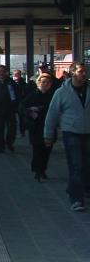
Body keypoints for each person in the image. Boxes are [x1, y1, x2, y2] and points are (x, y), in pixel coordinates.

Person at [44, 62, 90, 211]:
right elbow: (52, 114)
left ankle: (82, 188)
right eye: (81, 71)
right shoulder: (62, 92)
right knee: (75, 165)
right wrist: (48, 135)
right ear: (73, 73)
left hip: (88, 132)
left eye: (85, 71)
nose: (84, 74)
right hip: (71, 132)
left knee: (86, 165)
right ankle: (76, 199)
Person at [20, 73, 54, 181]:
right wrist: (31, 111)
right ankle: (37, 170)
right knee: (37, 149)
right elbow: (22, 107)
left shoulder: (53, 96)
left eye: (48, 82)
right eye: (43, 82)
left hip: (49, 126)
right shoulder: (33, 95)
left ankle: (43, 169)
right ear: (38, 83)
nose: (45, 84)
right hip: (36, 126)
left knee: (47, 150)